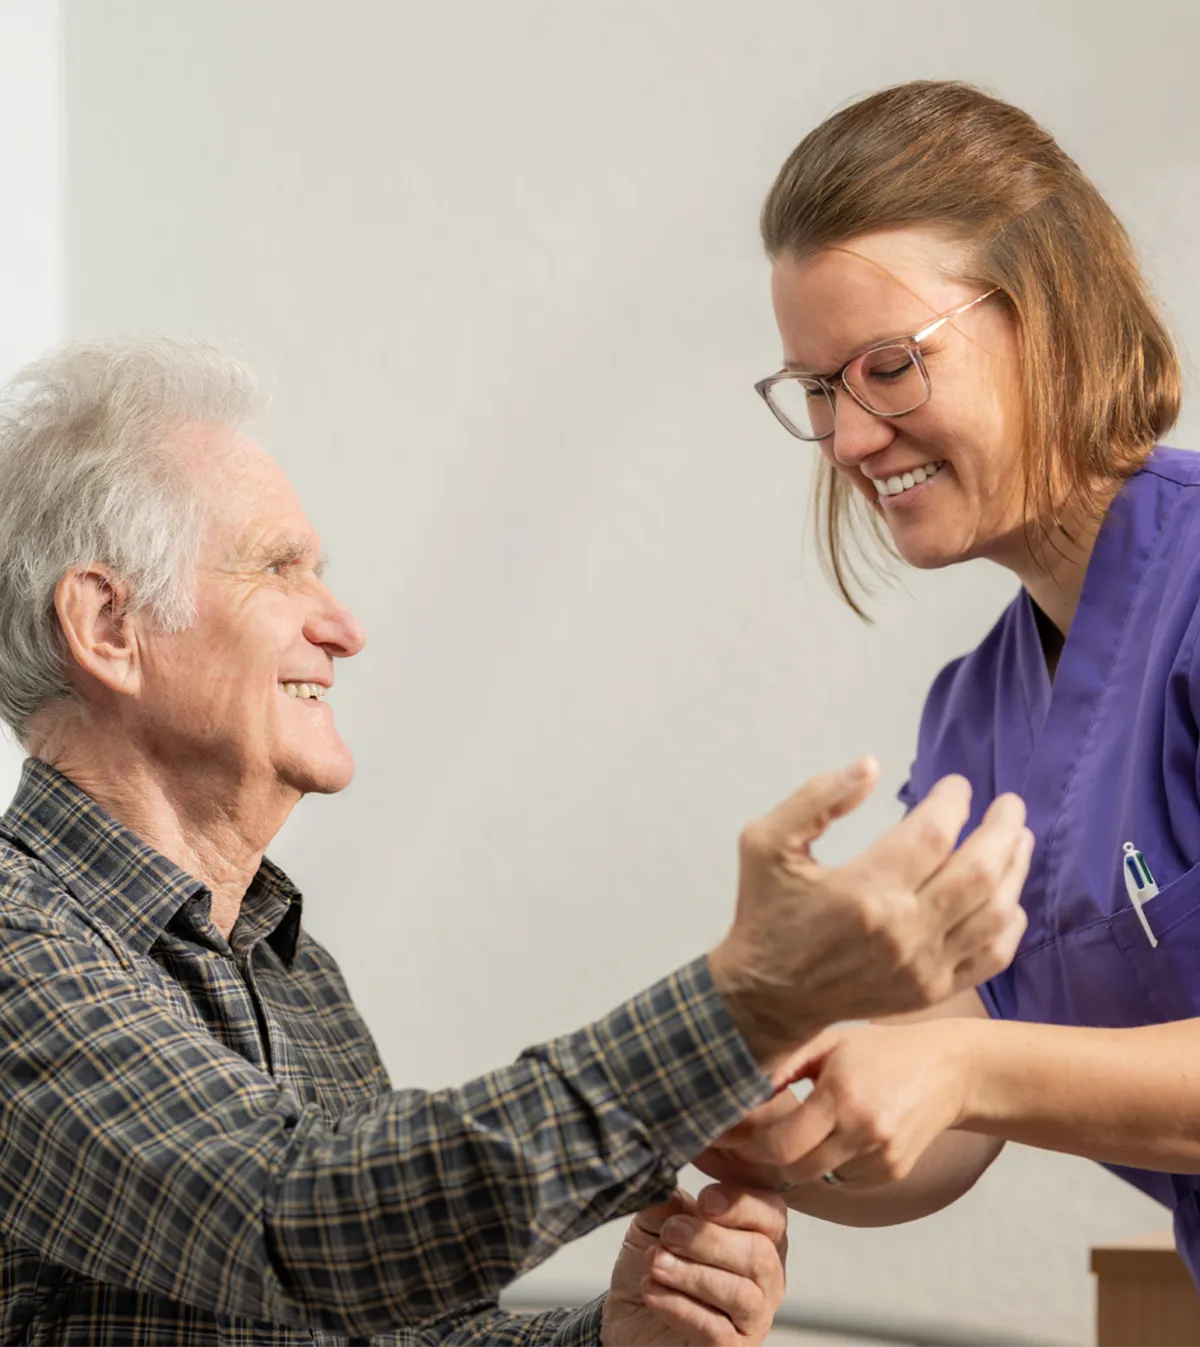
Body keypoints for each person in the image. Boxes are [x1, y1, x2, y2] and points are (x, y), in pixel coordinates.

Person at [0, 337, 1032, 1345]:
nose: (345, 627)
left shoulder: (295, 971)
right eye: (280, 569)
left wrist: (620, 1336)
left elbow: (413, 1327)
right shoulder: (15, 942)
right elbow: (300, 1225)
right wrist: (746, 1006)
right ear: (106, 626)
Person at [702, 76, 1200, 1296]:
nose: (852, 440)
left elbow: (976, 1080)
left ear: (1053, 316)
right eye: (820, 390)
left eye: (886, 366)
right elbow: (945, 1098)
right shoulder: (974, 721)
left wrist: (969, 1078)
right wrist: (783, 1109)